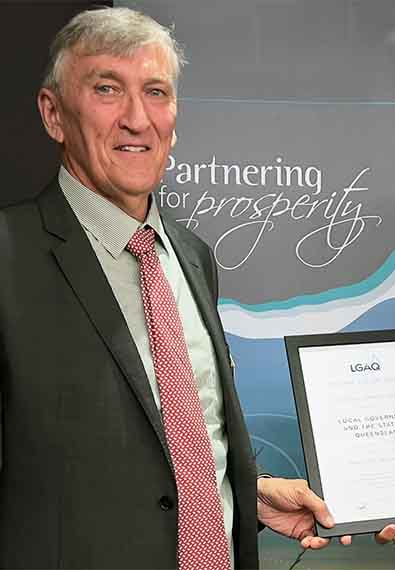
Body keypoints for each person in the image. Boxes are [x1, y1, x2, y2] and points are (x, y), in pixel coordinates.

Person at [0, 7, 340, 569]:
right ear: (54, 114)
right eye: (108, 89)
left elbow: (174, 442)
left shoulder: (192, 257)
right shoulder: (9, 255)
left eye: (156, 92)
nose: (138, 118)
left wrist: (247, 495)